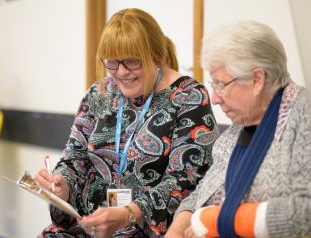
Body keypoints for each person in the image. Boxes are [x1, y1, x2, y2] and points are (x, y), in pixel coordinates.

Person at [35, 8, 217, 238]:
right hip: (89, 225)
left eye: (132, 61)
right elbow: (75, 157)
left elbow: (184, 183)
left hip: (147, 229)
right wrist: (63, 183)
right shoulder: (99, 93)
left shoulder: (189, 97)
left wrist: (128, 214)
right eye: (112, 62)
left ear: (155, 55)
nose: (121, 72)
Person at [166, 21, 311, 238]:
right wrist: (178, 229)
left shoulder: (309, 116)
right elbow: (202, 194)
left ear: (257, 79)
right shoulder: (236, 130)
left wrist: (221, 221)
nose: (215, 99)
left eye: (221, 84)